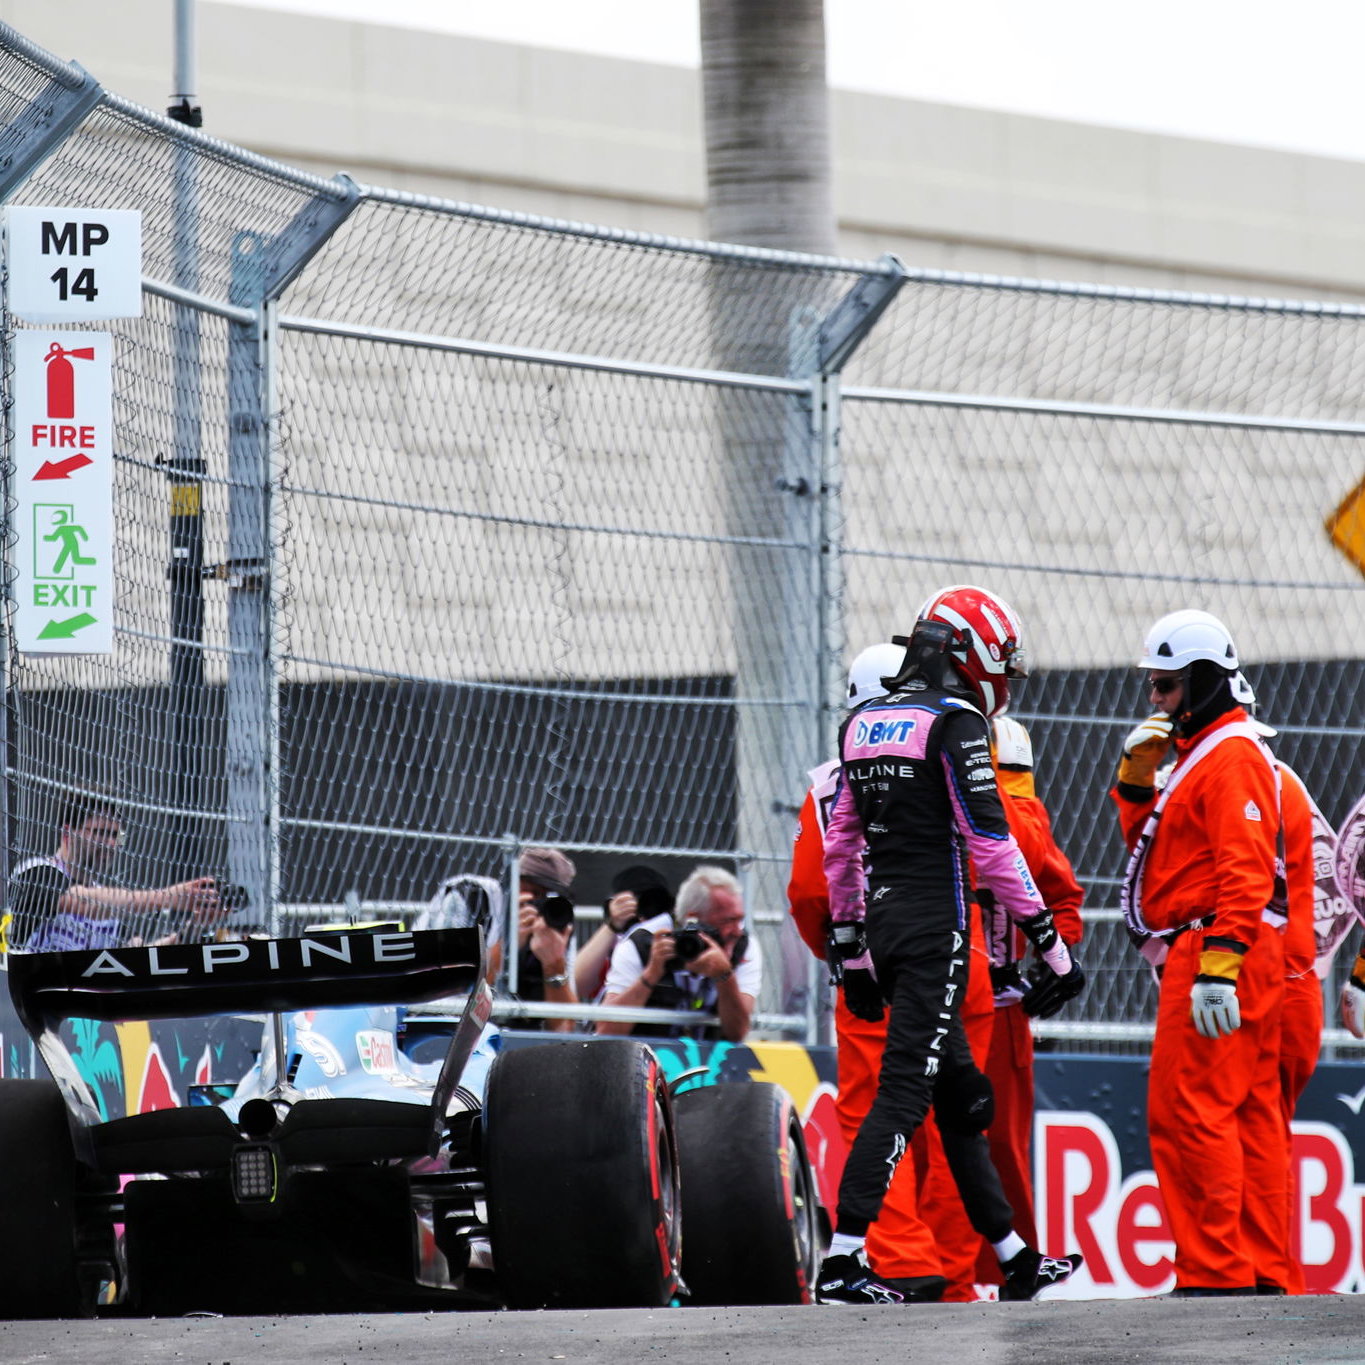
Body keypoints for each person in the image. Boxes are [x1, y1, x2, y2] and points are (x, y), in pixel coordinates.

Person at [816, 585, 1084, 1306]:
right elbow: (991, 848)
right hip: (938, 932)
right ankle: (841, 1261)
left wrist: (850, 951)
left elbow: (839, 849)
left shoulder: (864, 721)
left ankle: (1015, 1257)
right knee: (902, 1094)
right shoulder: (957, 719)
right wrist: (1052, 946)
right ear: (969, 653)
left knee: (962, 1096)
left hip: (883, 926)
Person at [1113, 609, 1288, 1296]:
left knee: (1191, 1109)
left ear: (1204, 682)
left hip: (1219, 945)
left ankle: (1215, 1272)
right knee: (1242, 1113)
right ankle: (1258, 1270)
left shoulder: (1232, 754)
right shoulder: (1205, 756)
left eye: (1164, 686)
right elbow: (1160, 858)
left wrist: (1217, 962)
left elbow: (1243, 868)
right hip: (1226, 942)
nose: (1154, 700)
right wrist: (1136, 784)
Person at [8, 796, 222, 952]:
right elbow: (81, 903)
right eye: (101, 833)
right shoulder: (37, 872)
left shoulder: (107, 902)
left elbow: (137, 959)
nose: (111, 844)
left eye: (116, 836)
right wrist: (167, 898)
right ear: (67, 832)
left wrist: (194, 928)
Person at [596, 864, 761, 1043]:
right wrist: (652, 974)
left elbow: (738, 1032)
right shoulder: (642, 943)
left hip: (711, 1063)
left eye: (740, 919)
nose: (737, 931)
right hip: (642, 1061)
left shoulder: (744, 946)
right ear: (693, 918)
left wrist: (725, 976)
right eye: (728, 921)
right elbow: (607, 1031)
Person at [573, 864, 674, 1002]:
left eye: (652, 905)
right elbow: (578, 985)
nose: (643, 917)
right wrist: (612, 926)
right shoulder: (615, 945)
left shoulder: (676, 944)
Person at [510, 846, 581, 1034]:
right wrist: (509, 947)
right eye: (534, 893)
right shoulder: (484, 907)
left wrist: (553, 964)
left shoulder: (557, 926)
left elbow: (564, 1029)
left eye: (551, 898)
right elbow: (460, 998)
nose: (542, 905)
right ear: (512, 884)